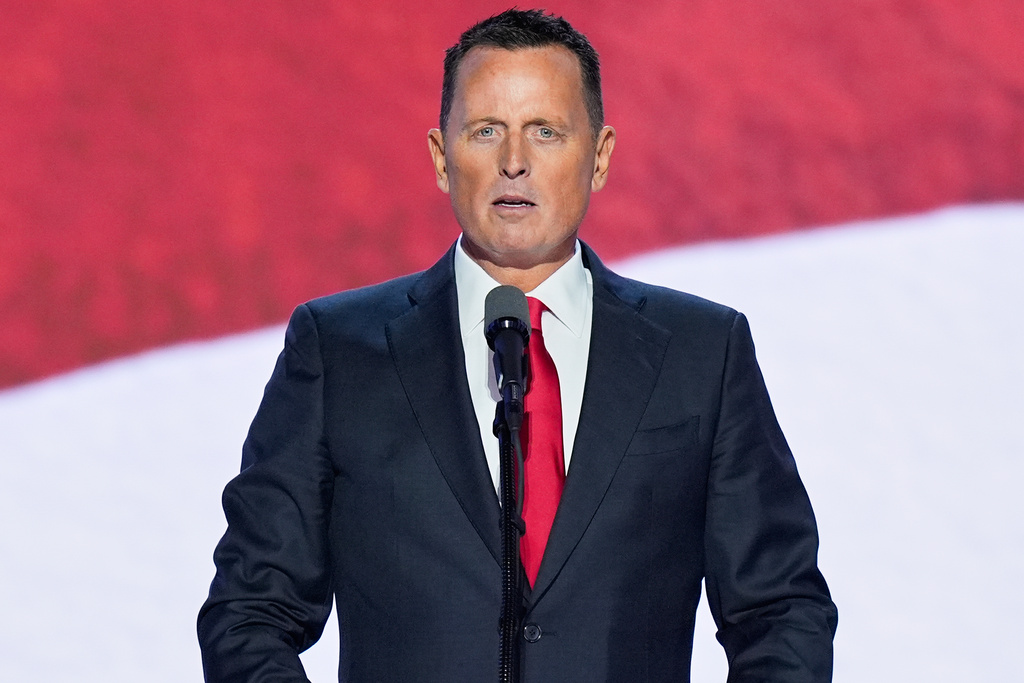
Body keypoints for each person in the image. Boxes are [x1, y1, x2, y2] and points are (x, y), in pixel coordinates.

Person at [198, 9, 837, 682]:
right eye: (486, 131)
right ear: (443, 159)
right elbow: (249, 613)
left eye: (545, 132)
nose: (514, 162)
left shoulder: (701, 352)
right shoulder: (338, 350)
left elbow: (780, 610)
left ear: (599, 157)